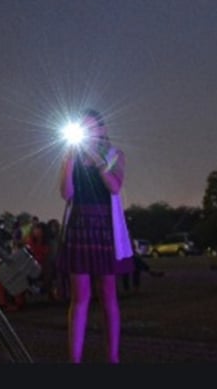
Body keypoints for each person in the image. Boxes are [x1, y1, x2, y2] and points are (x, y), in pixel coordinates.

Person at [56, 109, 133, 364]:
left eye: (92, 128)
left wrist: (97, 160)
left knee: (108, 293)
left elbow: (115, 186)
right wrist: (69, 160)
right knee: (80, 296)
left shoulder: (114, 154)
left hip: (104, 226)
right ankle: (74, 359)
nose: (88, 133)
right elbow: (66, 193)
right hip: (79, 225)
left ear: (102, 129)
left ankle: (113, 356)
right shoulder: (72, 157)